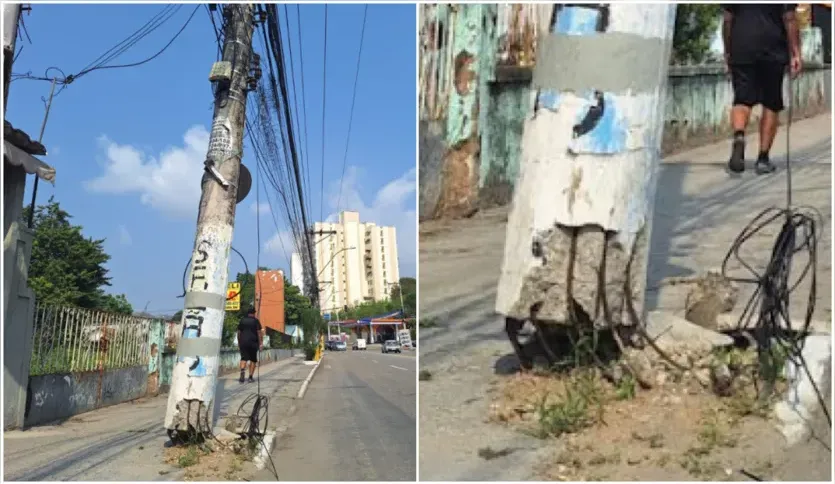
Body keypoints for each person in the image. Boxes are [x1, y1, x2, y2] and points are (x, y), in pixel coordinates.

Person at [722, 4, 802, 174]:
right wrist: (796, 52)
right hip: (772, 50)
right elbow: (789, 19)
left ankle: (739, 136)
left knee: (742, 99)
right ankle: (763, 158)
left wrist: (728, 52)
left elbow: (728, 20)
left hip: (742, 48)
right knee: (771, 103)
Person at [237, 307, 263, 383]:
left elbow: (239, 333)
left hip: (243, 342)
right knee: (253, 359)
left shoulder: (242, 320)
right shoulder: (256, 321)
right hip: (253, 342)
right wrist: (261, 343)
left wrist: (239, 343)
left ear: (248, 313)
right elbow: (259, 333)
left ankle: (242, 371)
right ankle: (250, 377)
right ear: (254, 313)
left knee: (243, 358)